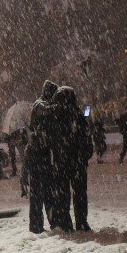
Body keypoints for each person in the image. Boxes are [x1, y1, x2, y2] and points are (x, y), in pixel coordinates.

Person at [26, 80, 58, 233]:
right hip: (37, 155)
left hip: (41, 154)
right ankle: (37, 226)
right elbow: (48, 111)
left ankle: (47, 223)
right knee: (39, 193)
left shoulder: (41, 104)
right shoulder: (40, 104)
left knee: (45, 192)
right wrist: (60, 106)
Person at [49, 87, 76, 233]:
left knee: (62, 191)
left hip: (60, 159)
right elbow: (84, 118)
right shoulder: (70, 112)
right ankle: (68, 221)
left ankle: (63, 221)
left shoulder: (55, 112)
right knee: (67, 192)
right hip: (66, 158)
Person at [71, 103, 94, 231]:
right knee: (80, 192)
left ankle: (79, 220)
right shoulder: (82, 120)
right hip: (79, 161)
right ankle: (81, 220)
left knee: (77, 192)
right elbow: (87, 140)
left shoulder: (67, 120)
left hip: (72, 161)